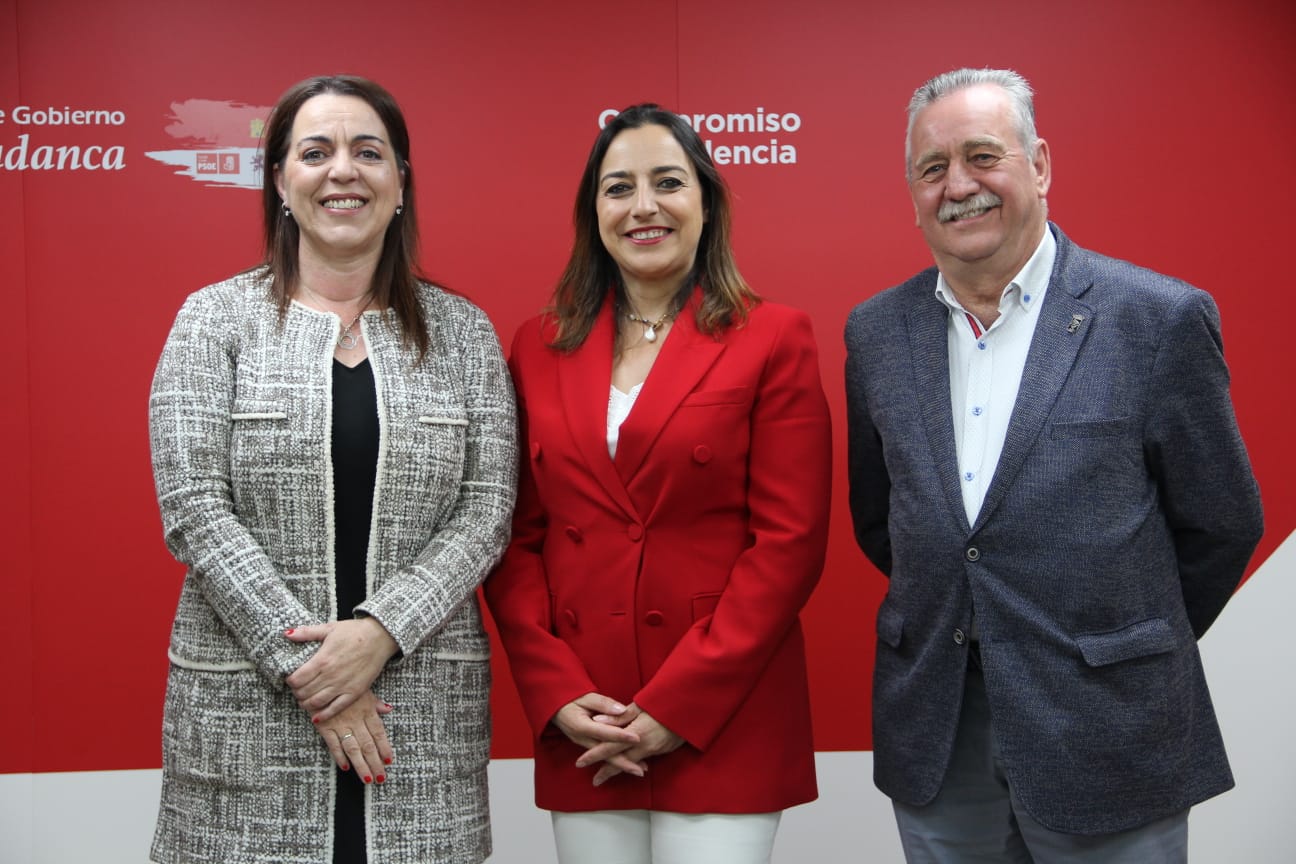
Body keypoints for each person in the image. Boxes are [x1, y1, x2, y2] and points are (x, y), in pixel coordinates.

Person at [845, 67, 1264, 862]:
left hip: (1109, 728)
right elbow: (884, 522)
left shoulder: (1156, 320)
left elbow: (1222, 523)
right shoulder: (875, 334)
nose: (958, 185)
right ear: (912, 194)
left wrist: (1118, 643)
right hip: (940, 730)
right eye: (932, 169)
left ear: (1038, 164)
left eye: (981, 156)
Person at [148, 75, 516, 864]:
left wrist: (381, 633)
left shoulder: (464, 333)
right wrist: (315, 671)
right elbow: (193, 506)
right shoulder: (215, 319)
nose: (343, 171)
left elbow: (487, 510)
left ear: (400, 182)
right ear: (281, 182)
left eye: (368, 152)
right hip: (248, 721)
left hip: (418, 722)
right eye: (315, 153)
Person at [484, 103, 831, 864]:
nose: (644, 206)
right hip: (589, 715)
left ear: (705, 202)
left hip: (723, 708)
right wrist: (557, 691)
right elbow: (513, 537)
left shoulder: (773, 336)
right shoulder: (536, 346)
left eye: (668, 182)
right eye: (619, 188)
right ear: (594, 212)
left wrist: (678, 705)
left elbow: (790, 546)